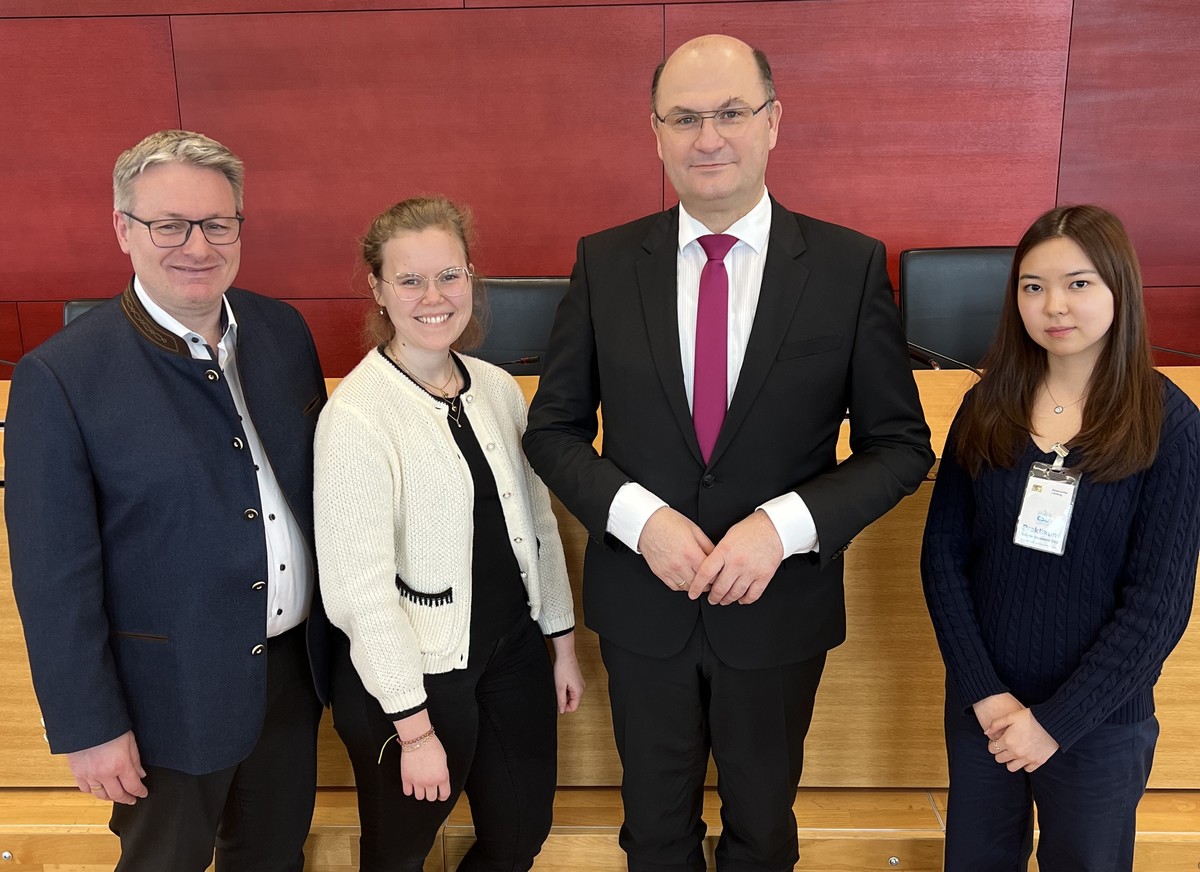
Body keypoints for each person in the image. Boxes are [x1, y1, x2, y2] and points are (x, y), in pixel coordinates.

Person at [523, 34, 933, 872]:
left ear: (773, 122)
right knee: (654, 830)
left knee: (762, 827)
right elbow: (553, 430)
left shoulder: (848, 267)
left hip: (779, 609)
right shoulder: (604, 262)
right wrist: (642, 522)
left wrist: (783, 527)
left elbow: (899, 447)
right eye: (685, 117)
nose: (708, 137)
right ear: (656, 133)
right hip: (645, 604)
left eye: (730, 113)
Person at [4, 129, 329, 871]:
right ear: (122, 228)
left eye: (217, 223)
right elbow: (54, 579)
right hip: (165, 699)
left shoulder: (281, 331)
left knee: (275, 858)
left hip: (290, 678)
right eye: (168, 224)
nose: (197, 245)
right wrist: (90, 725)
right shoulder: (59, 378)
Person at [921, 204, 1200, 871]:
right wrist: (987, 696)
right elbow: (944, 559)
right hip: (985, 712)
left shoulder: (1168, 422)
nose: (1054, 305)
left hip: (1100, 722)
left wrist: (1053, 724)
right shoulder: (987, 406)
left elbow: (1158, 605)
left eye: (1079, 283)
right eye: (1033, 286)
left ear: (1118, 289)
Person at [313, 196, 584, 872]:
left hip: (512, 654)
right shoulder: (357, 415)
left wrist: (563, 644)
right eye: (409, 280)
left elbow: (537, 523)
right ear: (379, 289)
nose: (433, 296)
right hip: (417, 678)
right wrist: (414, 730)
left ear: (471, 278)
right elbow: (358, 595)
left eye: (450, 275)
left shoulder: (496, 388)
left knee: (520, 834)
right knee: (399, 853)